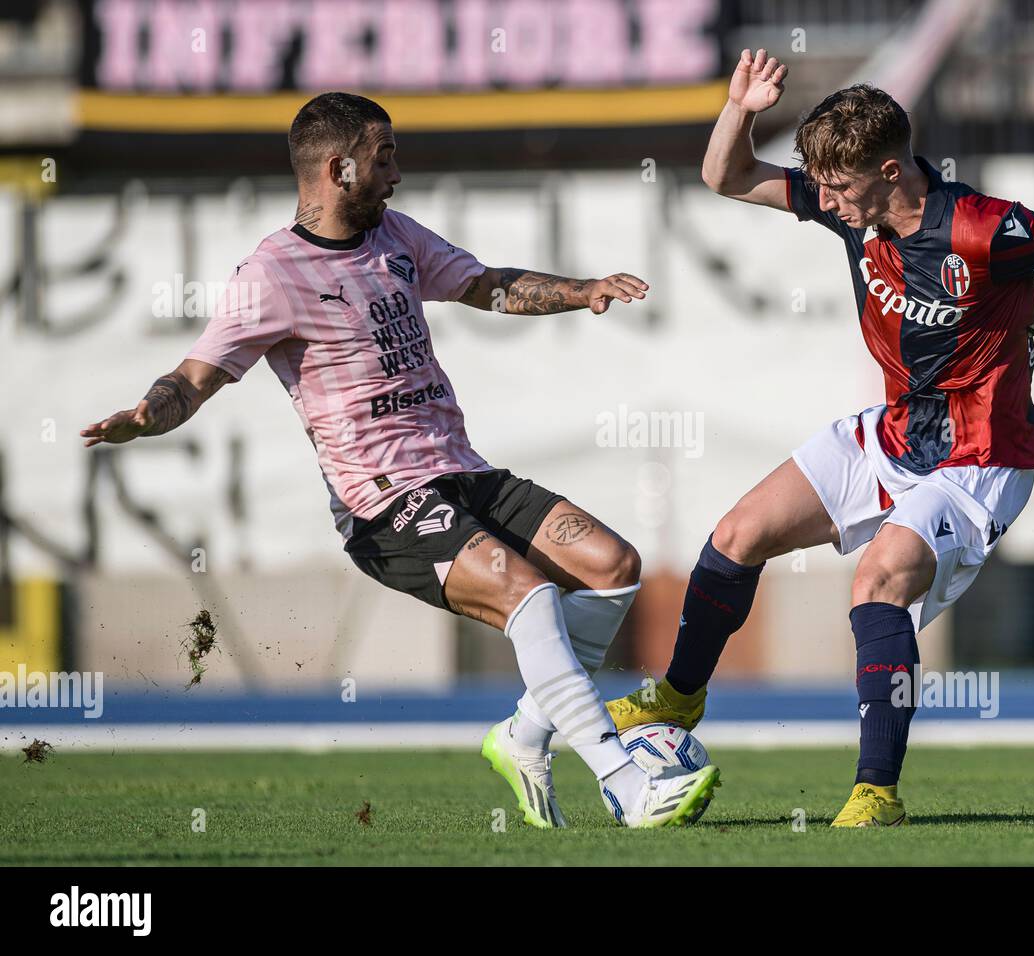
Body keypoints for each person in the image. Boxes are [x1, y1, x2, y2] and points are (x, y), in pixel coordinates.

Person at [604, 50, 1034, 826]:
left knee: (878, 583)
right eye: (823, 187)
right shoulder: (851, 210)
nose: (827, 201)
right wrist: (741, 107)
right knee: (736, 536)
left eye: (839, 186)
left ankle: (877, 790)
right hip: (892, 434)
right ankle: (680, 696)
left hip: (979, 459)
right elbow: (725, 177)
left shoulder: (988, 229)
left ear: (891, 171)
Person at [80, 91, 720, 830]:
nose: (397, 173)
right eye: (384, 158)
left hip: (460, 469)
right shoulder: (271, 274)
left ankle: (524, 737)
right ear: (337, 166)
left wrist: (584, 290)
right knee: (530, 596)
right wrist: (145, 415)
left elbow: (484, 284)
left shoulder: (396, 237)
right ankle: (624, 783)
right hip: (384, 505)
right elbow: (194, 378)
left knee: (613, 564)